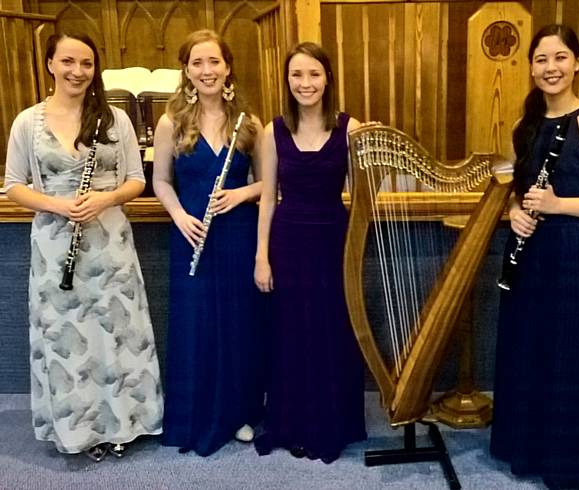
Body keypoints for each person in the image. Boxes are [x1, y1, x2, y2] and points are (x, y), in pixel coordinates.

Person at [3, 32, 163, 462]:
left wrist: (106, 198)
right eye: (68, 61)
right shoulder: (27, 121)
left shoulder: (114, 120)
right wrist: (57, 204)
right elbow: (13, 186)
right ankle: (78, 432)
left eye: (87, 63)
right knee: (67, 339)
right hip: (56, 244)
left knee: (116, 332)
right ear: (51, 64)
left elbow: (136, 179)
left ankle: (124, 426)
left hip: (109, 239)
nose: (78, 71)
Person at [490, 24, 579, 489]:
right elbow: (513, 190)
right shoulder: (523, 125)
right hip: (529, 251)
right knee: (527, 347)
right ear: (530, 67)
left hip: (574, 253)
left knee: (569, 352)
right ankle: (526, 450)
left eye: (559, 58)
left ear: (578, 61)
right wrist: (515, 212)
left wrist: (558, 205)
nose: (550, 68)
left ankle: (565, 464)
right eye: (541, 60)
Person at [153, 29, 265, 457]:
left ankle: (238, 412)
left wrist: (241, 194)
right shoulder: (171, 122)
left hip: (237, 235)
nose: (206, 71)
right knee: (196, 325)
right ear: (186, 70)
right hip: (191, 235)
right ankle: (195, 414)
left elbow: (269, 185)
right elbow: (160, 181)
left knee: (238, 326)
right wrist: (180, 215)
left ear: (228, 67)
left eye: (214, 62)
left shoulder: (248, 123)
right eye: (197, 63)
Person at [253, 42, 367, 463]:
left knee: (331, 331)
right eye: (297, 75)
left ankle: (332, 423)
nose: (305, 83)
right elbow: (267, 198)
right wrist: (261, 257)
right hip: (287, 241)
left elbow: (363, 195)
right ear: (287, 80)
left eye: (314, 74)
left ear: (327, 78)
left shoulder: (350, 129)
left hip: (334, 240)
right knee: (291, 333)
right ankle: (293, 422)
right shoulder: (273, 130)